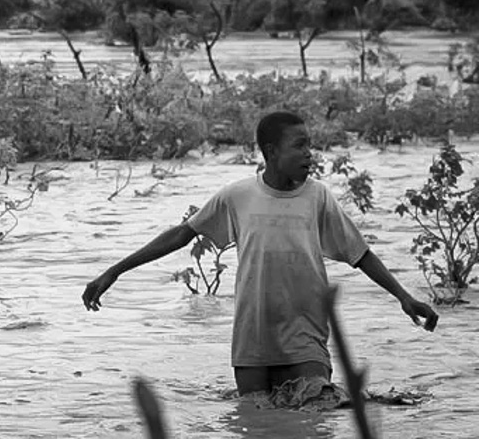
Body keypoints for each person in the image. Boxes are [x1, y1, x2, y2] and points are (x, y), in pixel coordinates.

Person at [81, 111, 440, 395]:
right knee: (255, 423)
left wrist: (403, 297)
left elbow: (360, 254)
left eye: (309, 145)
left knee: (315, 414)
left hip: (306, 335)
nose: (308, 153)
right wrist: (114, 271)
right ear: (271, 153)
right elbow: (180, 235)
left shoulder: (318, 198)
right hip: (253, 335)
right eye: (299, 146)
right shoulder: (237, 196)